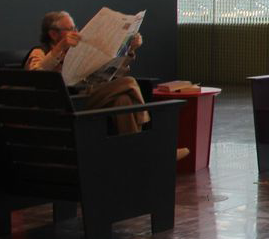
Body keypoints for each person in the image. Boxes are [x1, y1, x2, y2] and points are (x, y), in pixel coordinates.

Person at [24, 11, 177, 148]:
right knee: (128, 82)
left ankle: (136, 152)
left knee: (122, 100)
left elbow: (114, 74)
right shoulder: (40, 51)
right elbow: (36, 75)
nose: (76, 32)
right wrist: (60, 48)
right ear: (53, 34)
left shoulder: (76, 52)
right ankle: (153, 147)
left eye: (75, 27)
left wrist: (130, 49)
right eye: (70, 29)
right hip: (67, 103)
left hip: (87, 97)